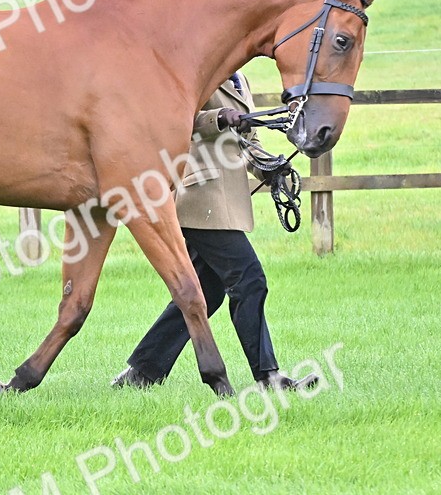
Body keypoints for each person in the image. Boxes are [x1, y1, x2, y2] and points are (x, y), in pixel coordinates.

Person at [112, 72, 318, 391]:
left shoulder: (240, 80)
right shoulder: (199, 71)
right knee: (249, 279)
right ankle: (268, 377)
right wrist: (218, 117)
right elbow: (173, 119)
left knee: (206, 292)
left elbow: (248, 141)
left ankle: (142, 372)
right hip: (200, 197)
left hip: (224, 203)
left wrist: (270, 167)